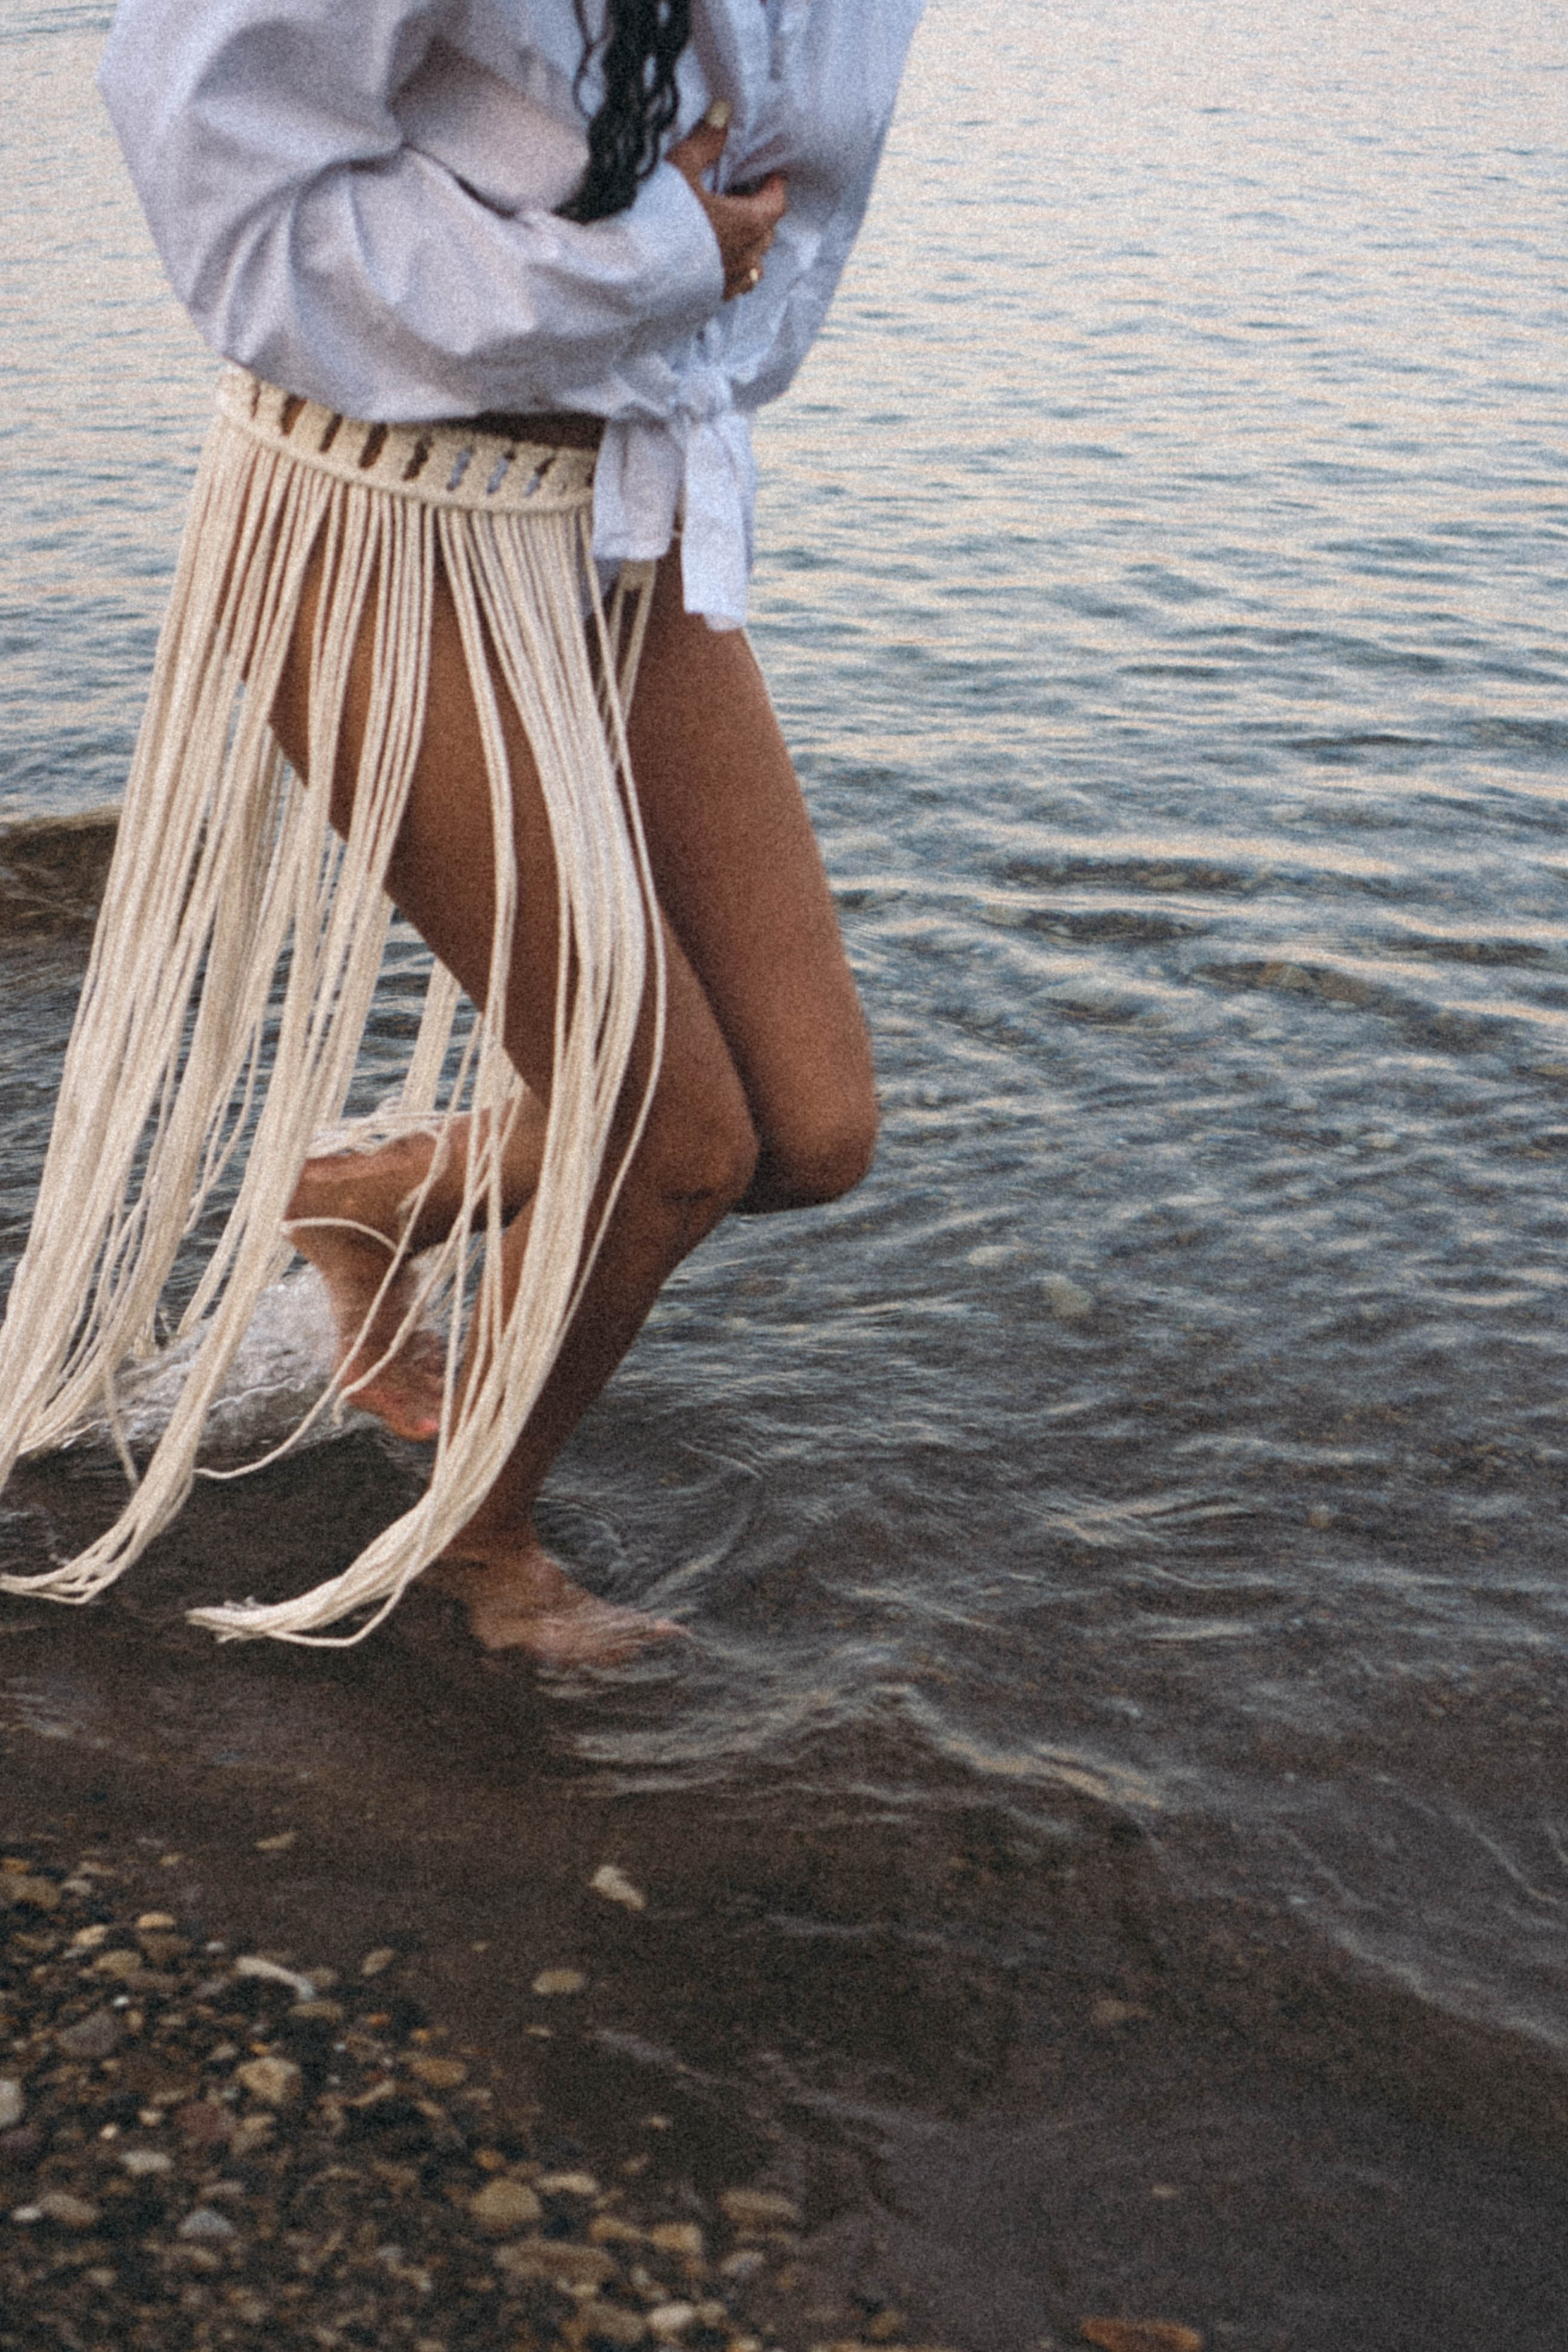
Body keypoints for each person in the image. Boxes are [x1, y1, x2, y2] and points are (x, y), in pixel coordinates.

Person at [0, 0, 926, 1660]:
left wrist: (685, 299)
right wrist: (647, 261)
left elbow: (785, 212)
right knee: (676, 1140)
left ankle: (369, 1197)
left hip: (629, 512)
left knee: (809, 1129)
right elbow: (236, 214)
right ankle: (476, 1545)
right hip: (375, 518)